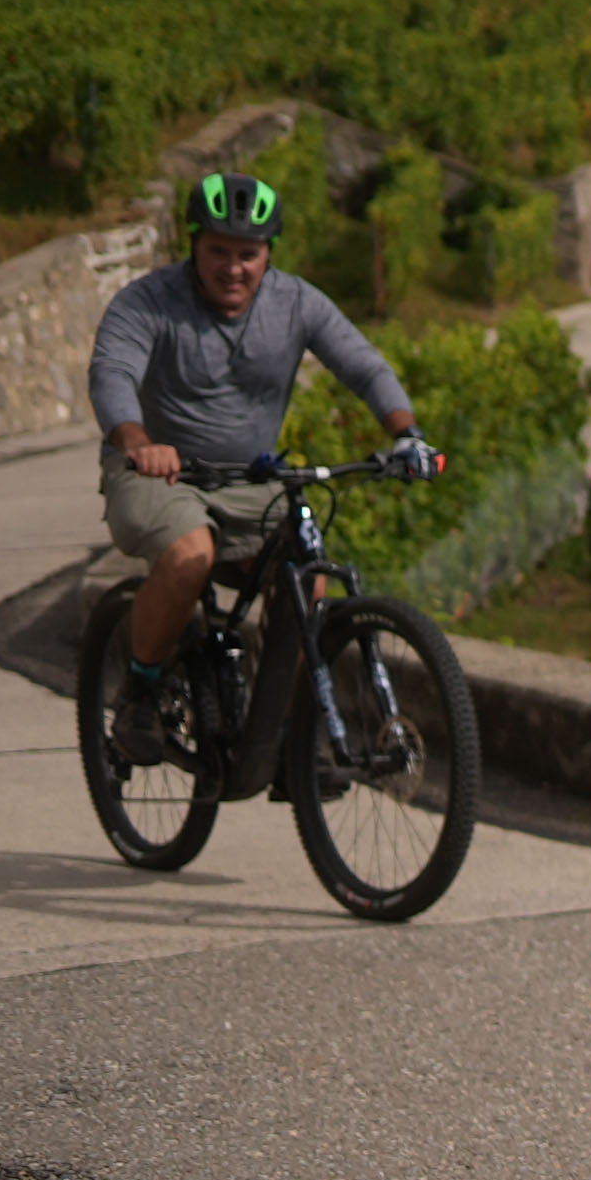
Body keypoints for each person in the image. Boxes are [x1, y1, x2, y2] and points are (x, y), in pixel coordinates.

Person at [90, 171, 437, 764]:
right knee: (191, 553)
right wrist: (137, 439)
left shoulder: (296, 303)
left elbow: (364, 366)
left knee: (308, 579)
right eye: (218, 252)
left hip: (250, 480)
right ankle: (140, 691)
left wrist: (408, 435)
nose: (233, 268)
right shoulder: (148, 302)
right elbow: (112, 372)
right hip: (159, 475)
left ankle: (281, 732)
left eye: (247, 255)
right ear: (193, 245)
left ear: (268, 253)